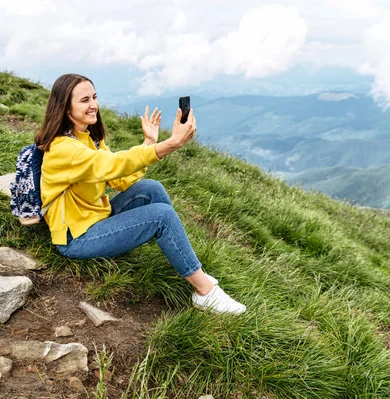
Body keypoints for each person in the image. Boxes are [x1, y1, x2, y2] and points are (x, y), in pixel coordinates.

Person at [35, 73, 246, 315]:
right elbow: (113, 163)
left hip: (96, 219)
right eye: (84, 100)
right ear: (64, 106)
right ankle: (204, 293)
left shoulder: (88, 138)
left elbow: (119, 179)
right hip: (76, 238)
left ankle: (184, 262)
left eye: (94, 97)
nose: (93, 104)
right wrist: (170, 144)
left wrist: (148, 142)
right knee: (161, 217)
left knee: (151, 189)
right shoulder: (64, 149)